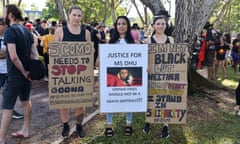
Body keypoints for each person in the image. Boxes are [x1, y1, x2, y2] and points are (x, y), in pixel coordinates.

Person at [0, 4, 39, 143]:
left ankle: (1, 138)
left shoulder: (9, 31)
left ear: (10, 15)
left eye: (4, 13)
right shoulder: (27, 31)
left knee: (7, 107)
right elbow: (35, 54)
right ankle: (26, 130)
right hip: (27, 74)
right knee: (25, 101)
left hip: (16, 75)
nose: (3, 16)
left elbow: (13, 56)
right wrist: (31, 73)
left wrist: (23, 72)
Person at [54, 5, 91, 139]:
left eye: (79, 15)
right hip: (64, 73)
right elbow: (54, 53)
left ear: (82, 17)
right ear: (69, 15)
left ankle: (79, 125)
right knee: (63, 102)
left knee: (80, 103)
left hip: (80, 73)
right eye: (74, 15)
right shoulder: (60, 31)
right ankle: (65, 125)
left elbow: (89, 52)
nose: (76, 18)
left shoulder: (85, 32)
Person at [102, 16, 135, 137]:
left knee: (129, 100)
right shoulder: (110, 42)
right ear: (116, 26)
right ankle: (109, 125)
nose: (121, 26)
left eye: (124, 23)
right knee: (110, 99)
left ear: (128, 26)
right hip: (113, 76)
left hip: (128, 76)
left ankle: (129, 124)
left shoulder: (133, 43)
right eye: (119, 23)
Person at [142, 16, 174, 138]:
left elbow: (175, 57)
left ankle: (165, 125)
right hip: (152, 76)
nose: (161, 26)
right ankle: (149, 121)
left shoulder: (171, 40)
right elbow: (142, 59)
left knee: (165, 99)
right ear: (153, 26)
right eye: (158, 23)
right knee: (151, 100)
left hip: (166, 75)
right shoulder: (148, 41)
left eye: (163, 24)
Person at [0, 18, 24, 120]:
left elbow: (16, 53)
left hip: (9, 70)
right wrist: (8, 53)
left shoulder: (9, 36)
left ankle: (11, 111)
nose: (5, 27)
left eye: (6, 25)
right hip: (0, 70)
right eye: (3, 25)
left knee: (10, 93)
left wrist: (6, 53)